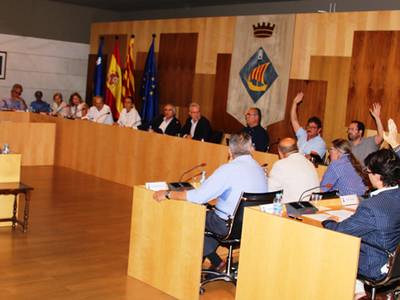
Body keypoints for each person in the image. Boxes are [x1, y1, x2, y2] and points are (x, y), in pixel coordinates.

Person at [153, 133, 268, 271]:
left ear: (229, 151)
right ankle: (216, 261)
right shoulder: (260, 170)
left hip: (226, 226)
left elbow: (199, 197)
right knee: (209, 218)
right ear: (251, 148)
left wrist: (168, 193)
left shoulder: (228, 169)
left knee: (193, 216)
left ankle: (186, 271)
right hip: (251, 225)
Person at [322, 149, 400, 298]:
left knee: (333, 245)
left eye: (368, 172)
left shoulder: (371, 207)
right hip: (394, 262)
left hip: (375, 264)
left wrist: (328, 222)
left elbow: (340, 231)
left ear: (378, 176)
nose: (367, 176)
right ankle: (358, 291)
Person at [268, 137, 319, 203]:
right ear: (297, 149)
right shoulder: (309, 163)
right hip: (312, 208)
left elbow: (270, 192)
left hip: (292, 209)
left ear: (280, 153)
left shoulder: (281, 164)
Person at [290, 92, 326, 159]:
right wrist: (294, 103)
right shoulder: (303, 134)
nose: (309, 129)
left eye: (313, 127)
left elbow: (312, 159)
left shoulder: (320, 143)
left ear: (319, 130)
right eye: (308, 126)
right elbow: (294, 120)